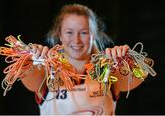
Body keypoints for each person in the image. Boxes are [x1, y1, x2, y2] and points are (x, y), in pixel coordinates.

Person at [17, 4, 146, 115]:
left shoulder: (106, 70)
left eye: (83, 32)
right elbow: (27, 75)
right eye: (69, 32)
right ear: (59, 34)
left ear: (93, 35)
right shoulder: (47, 71)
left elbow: (141, 74)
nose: (76, 40)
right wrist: (31, 59)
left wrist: (128, 60)